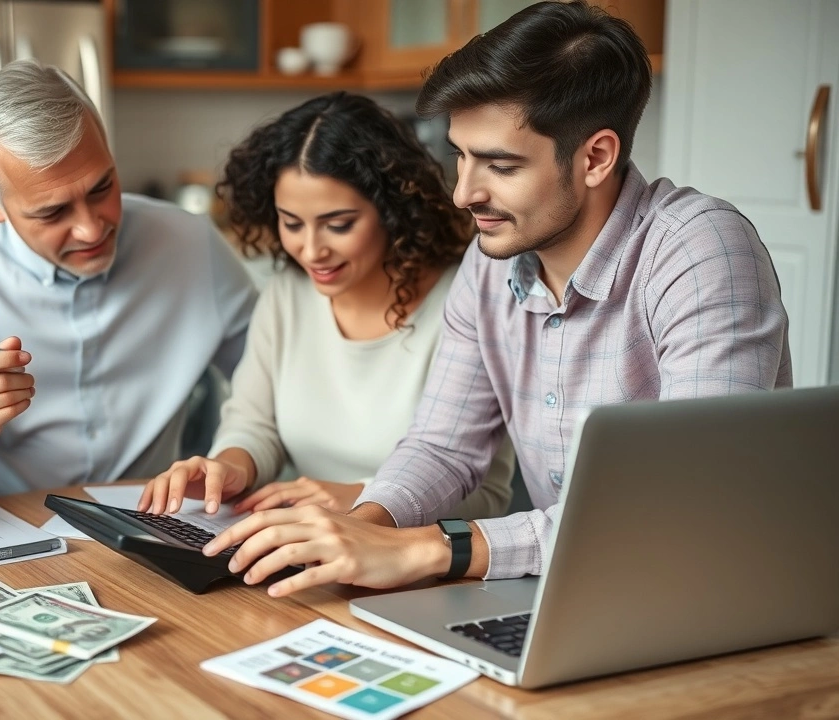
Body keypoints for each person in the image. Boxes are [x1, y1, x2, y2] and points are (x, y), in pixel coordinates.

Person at [201, 0, 792, 597]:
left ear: (596, 157)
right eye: (459, 156)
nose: (463, 193)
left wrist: (430, 549)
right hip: (579, 589)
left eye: (500, 166)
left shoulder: (699, 249)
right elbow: (443, 447)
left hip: (714, 597)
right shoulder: (491, 264)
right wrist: (358, 532)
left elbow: (684, 503)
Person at [0, 60, 257, 498]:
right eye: (52, 211)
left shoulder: (192, 244)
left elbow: (272, 386)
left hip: (154, 522)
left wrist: (233, 458)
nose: (92, 230)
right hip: (7, 529)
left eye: (102, 188)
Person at [137, 92, 515, 520]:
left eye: (338, 225)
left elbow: (489, 497)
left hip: (426, 566)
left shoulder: (466, 301)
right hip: (311, 548)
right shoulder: (288, 296)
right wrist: (227, 468)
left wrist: (362, 497)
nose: (312, 250)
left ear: (392, 210)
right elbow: (254, 423)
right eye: (292, 223)